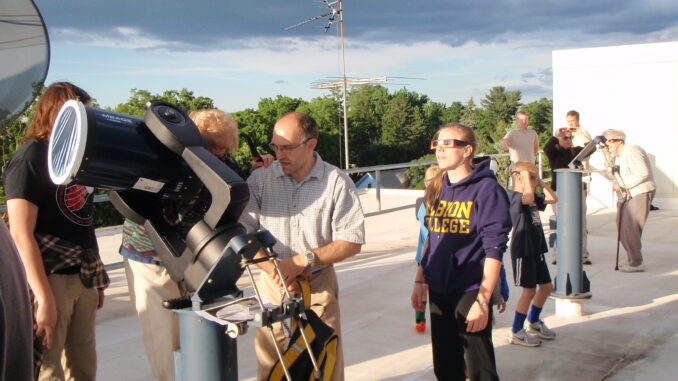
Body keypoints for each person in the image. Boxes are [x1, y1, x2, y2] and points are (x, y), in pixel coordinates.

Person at [119, 108, 272, 381]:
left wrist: (256, 170)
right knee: (165, 336)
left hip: (192, 255)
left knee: (199, 332)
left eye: (225, 151)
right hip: (150, 257)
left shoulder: (220, 159)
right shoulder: (164, 163)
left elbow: (232, 181)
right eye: (213, 148)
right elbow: (168, 214)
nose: (219, 155)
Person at [239, 111, 365, 381]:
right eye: (275, 146)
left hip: (319, 289)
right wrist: (278, 272)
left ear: (311, 144)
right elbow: (244, 234)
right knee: (271, 367)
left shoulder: (337, 182)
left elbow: (352, 241)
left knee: (324, 364)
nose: (279, 153)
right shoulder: (260, 180)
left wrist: (299, 262)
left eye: (287, 147)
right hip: (272, 286)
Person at [3, 82, 109, 380]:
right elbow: (21, 234)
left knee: (84, 364)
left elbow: (84, 218)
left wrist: (97, 275)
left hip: (83, 273)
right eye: (82, 116)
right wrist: (44, 298)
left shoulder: (81, 158)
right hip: (49, 275)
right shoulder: (30, 158)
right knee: (49, 368)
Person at [411, 123, 511, 381]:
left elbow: (494, 249)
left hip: (470, 289)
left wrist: (483, 299)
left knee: (480, 368)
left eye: (447, 144)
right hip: (438, 288)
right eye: (437, 144)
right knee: (445, 366)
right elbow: (432, 238)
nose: (439, 150)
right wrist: (420, 279)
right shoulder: (438, 186)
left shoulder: (488, 190)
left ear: (467, 150)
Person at [506, 162, 557, 347]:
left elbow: (554, 198)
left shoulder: (533, 196)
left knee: (546, 287)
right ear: (519, 177)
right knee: (529, 290)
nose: (535, 180)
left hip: (537, 248)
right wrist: (527, 178)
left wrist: (541, 183)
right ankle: (516, 331)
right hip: (523, 249)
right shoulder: (515, 197)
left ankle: (534, 322)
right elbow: (526, 199)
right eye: (532, 177)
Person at [601, 129, 656, 272]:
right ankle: (632, 258)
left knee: (631, 227)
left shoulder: (632, 150)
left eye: (609, 143)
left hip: (640, 191)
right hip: (628, 193)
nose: (608, 147)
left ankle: (637, 263)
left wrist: (622, 185)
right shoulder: (617, 156)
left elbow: (643, 173)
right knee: (621, 226)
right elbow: (611, 175)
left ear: (618, 140)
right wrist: (606, 156)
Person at [543, 128, 591, 264]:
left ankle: (583, 254)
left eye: (570, 138)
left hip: (577, 190)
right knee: (558, 222)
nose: (569, 140)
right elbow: (547, 148)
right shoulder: (555, 151)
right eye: (565, 138)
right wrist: (556, 135)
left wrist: (581, 131)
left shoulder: (575, 151)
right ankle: (557, 254)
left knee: (581, 222)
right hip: (559, 191)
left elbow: (590, 149)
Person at [413, 165, 441, 333]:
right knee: (433, 291)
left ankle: (420, 321)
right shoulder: (445, 203)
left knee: (422, 289)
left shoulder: (419, 203)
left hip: (423, 254)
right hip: (434, 254)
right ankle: (426, 320)